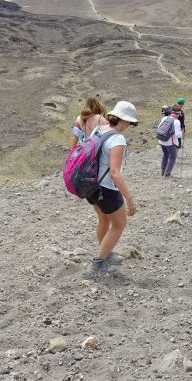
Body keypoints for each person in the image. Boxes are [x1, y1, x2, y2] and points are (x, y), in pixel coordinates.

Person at [85, 101, 140, 276]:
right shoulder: (118, 139)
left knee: (103, 219)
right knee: (119, 224)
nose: (129, 126)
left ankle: (106, 253)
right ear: (124, 121)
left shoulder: (98, 130)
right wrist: (129, 199)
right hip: (107, 189)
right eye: (130, 123)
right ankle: (98, 263)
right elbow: (115, 172)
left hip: (91, 185)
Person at [156, 106, 182, 177]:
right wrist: (181, 133)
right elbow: (177, 135)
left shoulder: (164, 118)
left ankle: (163, 170)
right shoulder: (176, 121)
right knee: (172, 157)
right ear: (178, 114)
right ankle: (167, 173)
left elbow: (159, 128)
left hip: (162, 141)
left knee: (165, 155)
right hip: (170, 143)